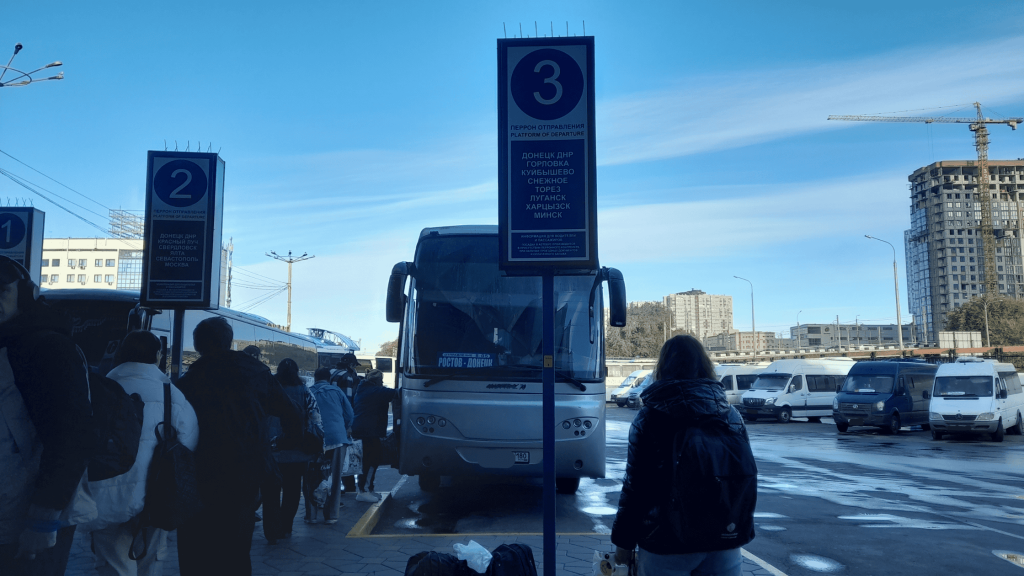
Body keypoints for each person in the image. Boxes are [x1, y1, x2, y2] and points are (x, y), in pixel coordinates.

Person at [611, 335, 753, 576]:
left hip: (665, 542)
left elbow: (635, 488)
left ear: (663, 367)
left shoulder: (650, 418)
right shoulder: (730, 415)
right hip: (723, 540)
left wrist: (623, 543)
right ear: (706, 366)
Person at [175, 316, 300, 576]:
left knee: (195, 543)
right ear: (228, 341)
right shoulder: (255, 371)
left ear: (198, 345)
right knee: (237, 544)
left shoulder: (189, 380)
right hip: (245, 468)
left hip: (201, 470)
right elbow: (291, 413)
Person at [0, 256, 95, 576]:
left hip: (26, 522)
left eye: (1, 291)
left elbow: (72, 436)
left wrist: (43, 519)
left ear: (24, 296)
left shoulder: (47, 348)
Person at [89, 330, 199, 576]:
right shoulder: (172, 395)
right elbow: (188, 442)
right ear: (158, 356)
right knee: (150, 558)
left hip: (104, 492)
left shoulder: (99, 387)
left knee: (114, 561)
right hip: (157, 492)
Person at [262, 358, 322, 543]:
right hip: (297, 450)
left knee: (270, 494)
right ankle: (286, 527)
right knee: (292, 491)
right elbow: (315, 418)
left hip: (270, 451)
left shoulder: (267, 390)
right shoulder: (305, 391)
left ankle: (271, 531)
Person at [307, 367, 354, 525]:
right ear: (329, 378)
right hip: (337, 438)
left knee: (311, 476)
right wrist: (345, 427)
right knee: (335, 477)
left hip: (314, 440)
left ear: (315, 378)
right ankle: (332, 515)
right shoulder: (337, 391)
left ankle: (311, 515)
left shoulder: (308, 391)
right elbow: (350, 414)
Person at [350, 369, 397, 502]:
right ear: (376, 381)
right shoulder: (374, 391)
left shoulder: (363, 389)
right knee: (371, 460)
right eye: (381, 380)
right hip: (368, 431)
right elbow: (395, 393)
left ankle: (367, 488)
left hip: (364, 430)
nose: (382, 383)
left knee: (368, 460)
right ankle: (363, 490)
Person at [330, 354, 362, 493]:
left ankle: (330, 487)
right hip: (340, 421)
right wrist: (349, 424)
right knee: (344, 454)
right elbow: (347, 402)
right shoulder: (347, 376)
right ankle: (348, 487)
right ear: (351, 365)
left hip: (326, 419)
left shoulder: (330, 372)